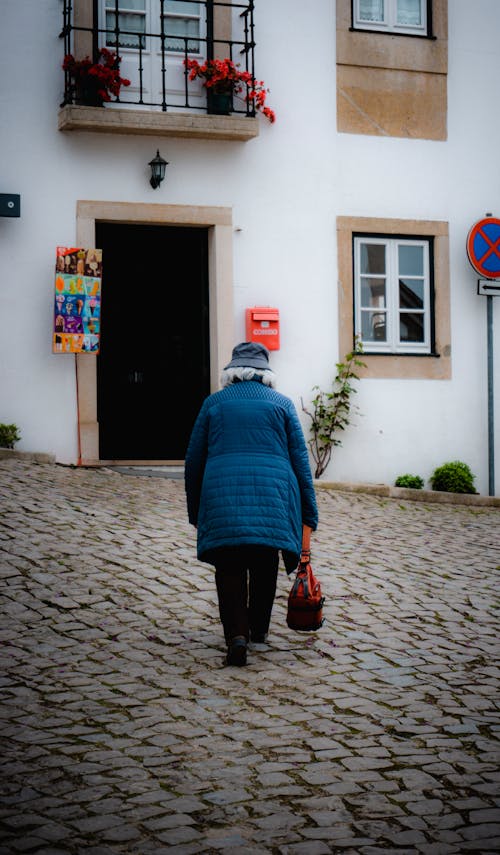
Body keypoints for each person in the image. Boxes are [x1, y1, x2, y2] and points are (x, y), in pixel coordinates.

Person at [184, 341, 318, 666]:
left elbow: (193, 460)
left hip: (222, 496)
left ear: (231, 373)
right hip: (273, 496)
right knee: (264, 560)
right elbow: (300, 460)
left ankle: (237, 636)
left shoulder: (213, 404)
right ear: (265, 374)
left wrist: (196, 510)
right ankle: (258, 629)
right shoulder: (282, 404)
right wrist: (309, 512)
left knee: (228, 565)